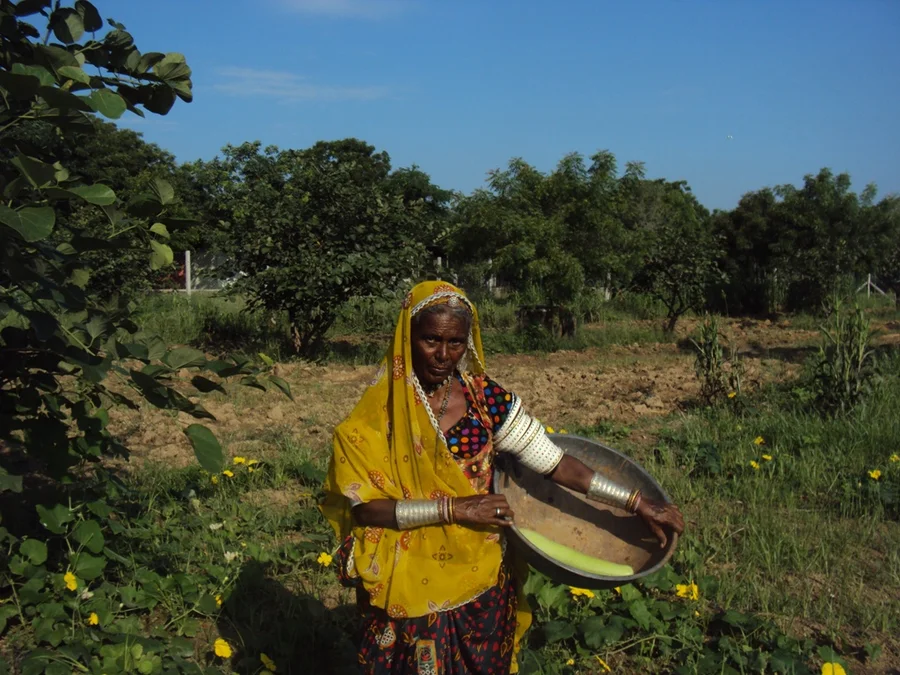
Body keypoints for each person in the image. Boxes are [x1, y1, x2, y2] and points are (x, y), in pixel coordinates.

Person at [321, 281, 685, 674]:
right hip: (411, 575)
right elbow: (365, 511)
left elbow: (555, 462)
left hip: (484, 571)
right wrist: (456, 508)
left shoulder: (484, 398)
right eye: (430, 340)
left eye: (456, 343)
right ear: (406, 337)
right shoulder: (376, 418)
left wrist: (636, 502)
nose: (443, 355)